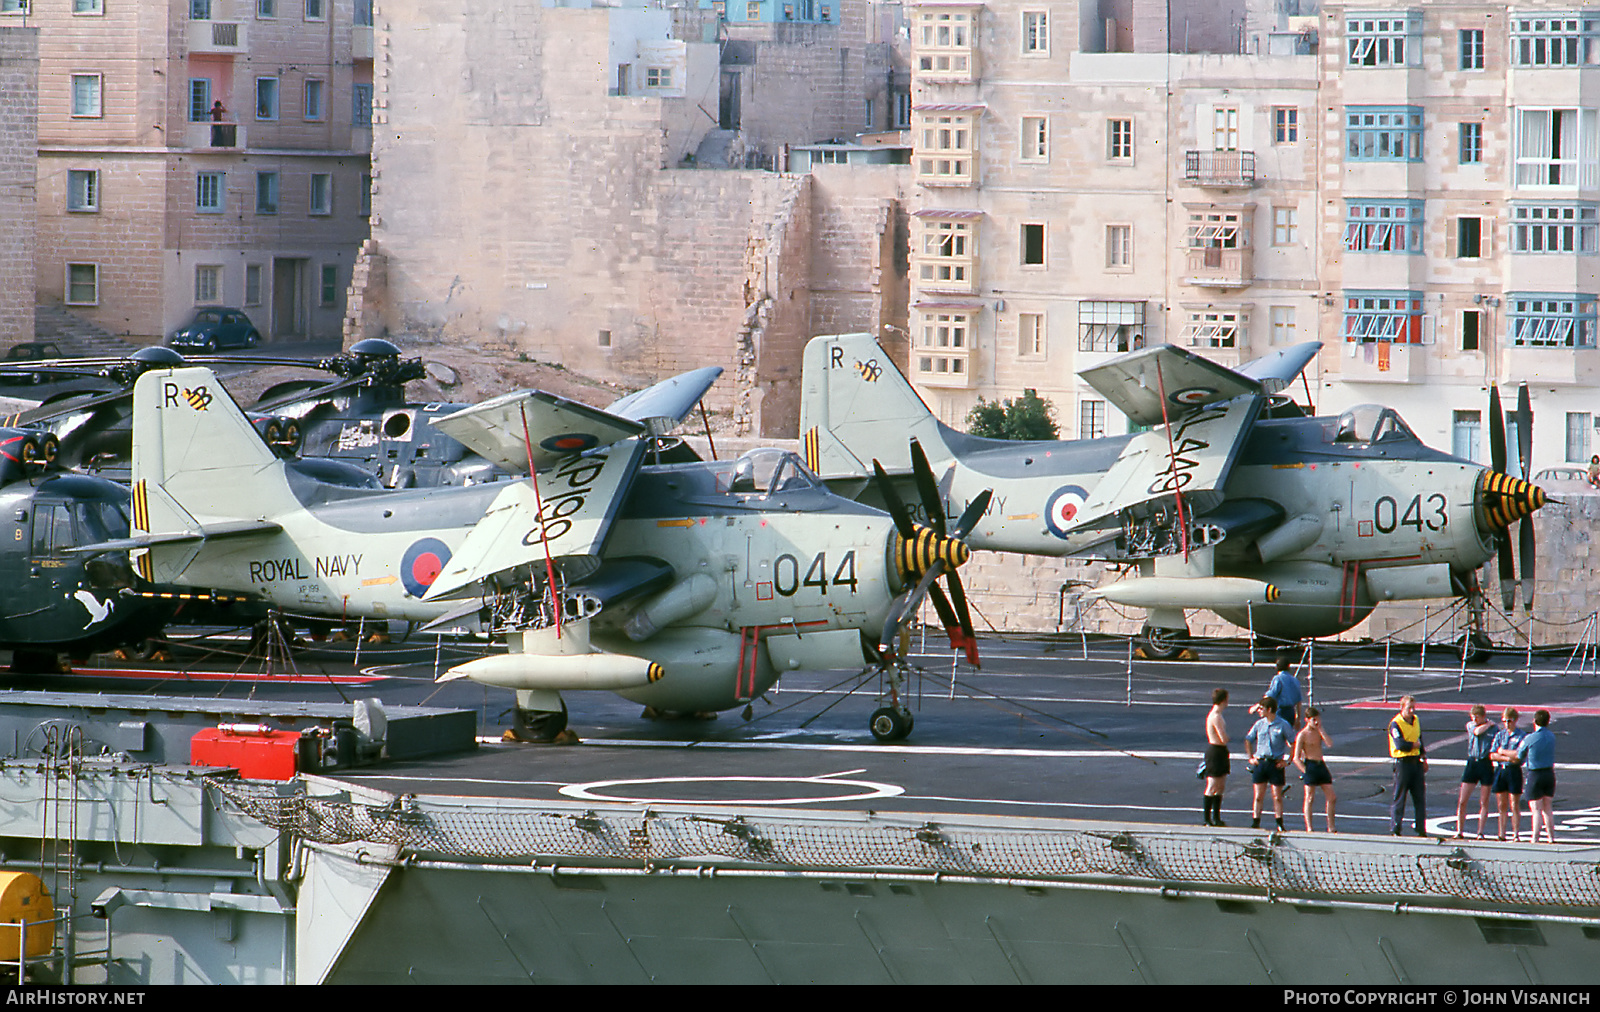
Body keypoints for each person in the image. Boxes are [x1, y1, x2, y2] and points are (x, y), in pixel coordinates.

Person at [1245, 696, 1293, 831]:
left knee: (1277, 796)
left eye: (1262, 708)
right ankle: (1256, 821)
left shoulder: (1283, 724)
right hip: (1261, 762)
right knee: (1258, 795)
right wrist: (1251, 758)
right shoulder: (1259, 724)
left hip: (1275, 763)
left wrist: (1288, 761)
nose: (1259, 711)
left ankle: (1279, 821)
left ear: (1269, 709)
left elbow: (1293, 742)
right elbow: (1248, 739)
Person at [1454, 704, 1498, 839]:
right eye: (1472, 717)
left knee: (1484, 801)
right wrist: (1489, 724)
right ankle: (1459, 830)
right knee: (1462, 800)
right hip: (1473, 762)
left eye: (1476, 717)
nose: (1474, 719)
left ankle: (1480, 832)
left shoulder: (1493, 729)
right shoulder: (1472, 725)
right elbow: (1477, 732)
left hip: (1485, 763)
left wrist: (1490, 725)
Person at [1388, 695, 1428, 837]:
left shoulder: (1416, 720)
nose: (1411, 711)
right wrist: (1414, 745)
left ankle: (1420, 828)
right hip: (1403, 763)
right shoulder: (1396, 724)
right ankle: (1396, 827)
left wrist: (1423, 757)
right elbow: (1400, 745)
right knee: (1400, 796)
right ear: (1401, 708)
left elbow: (1420, 738)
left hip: (1416, 762)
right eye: (1408, 708)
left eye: (1413, 708)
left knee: (1419, 797)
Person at [1292, 706, 1336, 832]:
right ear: (1307, 720)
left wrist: (1321, 729)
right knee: (1309, 797)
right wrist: (1305, 771)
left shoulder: (1318, 731)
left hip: (1320, 764)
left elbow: (1329, 743)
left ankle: (1331, 826)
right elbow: (1296, 757)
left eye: (1317, 719)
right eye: (1313, 720)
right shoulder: (1302, 735)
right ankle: (1309, 827)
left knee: (1332, 797)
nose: (1316, 722)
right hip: (1310, 765)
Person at [1518, 709, 1557, 844]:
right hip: (1549, 773)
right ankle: (1551, 837)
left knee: (1536, 809)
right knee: (1547, 808)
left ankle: (1535, 838)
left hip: (1535, 774)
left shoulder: (1530, 738)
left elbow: (1519, 754)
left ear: (1534, 721)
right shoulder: (1551, 736)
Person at [1489, 707, 1528, 842]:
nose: (1507, 724)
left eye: (1509, 721)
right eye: (1504, 721)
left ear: (1515, 720)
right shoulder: (1500, 735)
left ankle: (1515, 833)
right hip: (1501, 769)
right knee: (1501, 805)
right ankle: (1501, 833)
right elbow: (1493, 755)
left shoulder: (1521, 735)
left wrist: (1502, 751)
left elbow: (1519, 756)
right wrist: (1506, 757)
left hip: (1514, 770)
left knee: (1514, 804)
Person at [1202, 688, 1230, 827]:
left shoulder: (1217, 714)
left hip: (1220, 751)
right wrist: (1227, 738)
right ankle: (1207, 818)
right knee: (1212, 785)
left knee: (1220, 786)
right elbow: (1223, 738)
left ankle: (1216, 817)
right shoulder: (1216, 716)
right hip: (1216, 750)